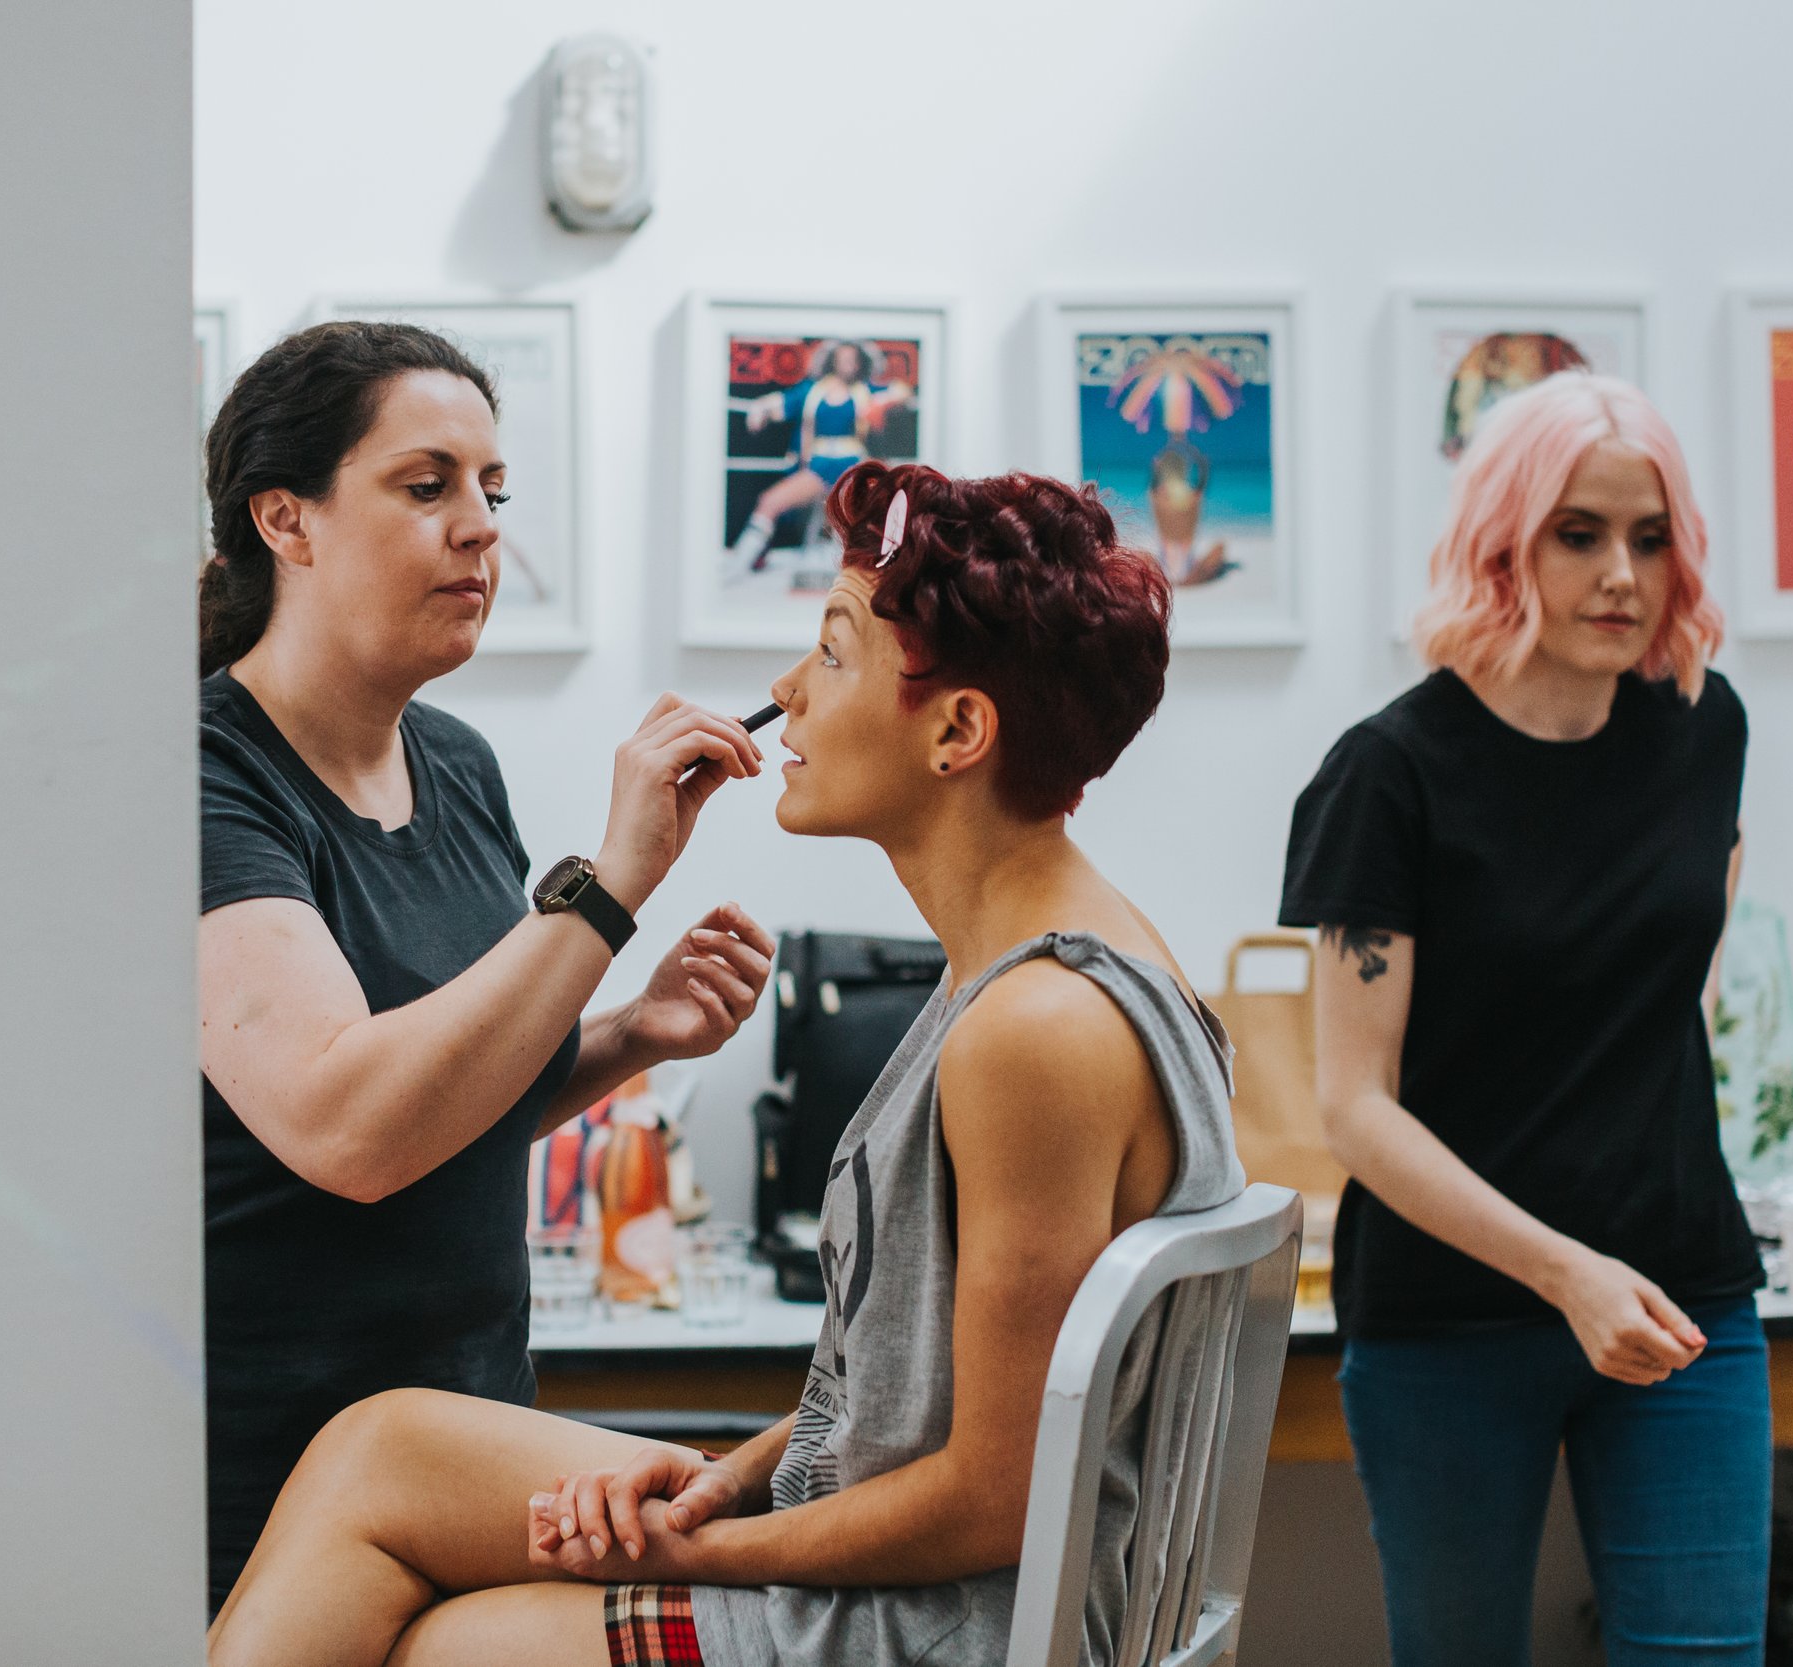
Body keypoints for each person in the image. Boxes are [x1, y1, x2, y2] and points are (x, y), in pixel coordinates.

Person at [205, 461, 1245, 1667]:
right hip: (943, 1577)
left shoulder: (1035, 1029)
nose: (786, 689)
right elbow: (896, 1403)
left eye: (834, 651)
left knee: (441, 1642)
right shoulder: (1047, 965)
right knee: (380, 1446)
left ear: (959, 730)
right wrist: (719, 1484)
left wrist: (697, 1547)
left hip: (943, 1626)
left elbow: (991, 1498)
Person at [196, 321, 778, 1614]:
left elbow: (459, 1094)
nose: (481, 527)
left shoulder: (456, 762)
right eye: (428, 484)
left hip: (470, 1439)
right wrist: (609, 886)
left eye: (493, 491)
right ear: (284, 517)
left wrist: (630, 1033)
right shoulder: (201, 776)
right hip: (272, 1487)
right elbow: (350, 1123)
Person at [1280, 372, 1765, 1665]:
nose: (1622, 573)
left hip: (1681, 1299)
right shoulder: (1388, 774)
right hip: (1450, 1319)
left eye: (1650, 538)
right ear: (1507, 539)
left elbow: (1684, 971)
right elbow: (1353, 1103)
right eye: (1580, 533)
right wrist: (1565, 1268)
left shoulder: (1704, 729)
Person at [726, 339, 914, 572]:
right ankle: (739, 565)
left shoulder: (866, 390)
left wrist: (884, 402)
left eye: (853, 359)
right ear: (833, 361)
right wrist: (759, 409)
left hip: (852, 467)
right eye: (844, 358)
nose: (848, 364)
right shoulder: (812, 391)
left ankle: (886, 569)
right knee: (770, 502)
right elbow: (780, 403)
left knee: (869, 511)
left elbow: (902, 391)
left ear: (860, 363)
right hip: (818, 467)